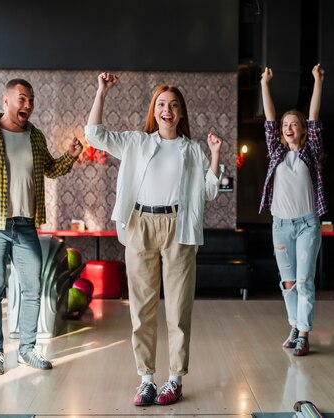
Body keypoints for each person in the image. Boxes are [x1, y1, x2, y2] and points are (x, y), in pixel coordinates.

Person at [85, 72, 223, 406]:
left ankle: (175, 379)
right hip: (141, 224)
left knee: (178, 307)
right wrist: (101, 92)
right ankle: (146, 379)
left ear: (181, 114)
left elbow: (208, 192)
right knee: (142, 306)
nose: (167, 110)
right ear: (154, 110)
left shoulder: (192, 150)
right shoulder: (136, 142)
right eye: (162, 104)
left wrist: (215, 155)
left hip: (179, 227)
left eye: (174, 105)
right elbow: (94, 134)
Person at [0, 79, 83, 376]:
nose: (28, 105)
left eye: (31, 100)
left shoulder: (35, 136)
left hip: (25, 224)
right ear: (6, 101)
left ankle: (26, 350)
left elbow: (51, 168)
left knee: (33, 289)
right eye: (22, 99)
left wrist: (71, 157)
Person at [258, 64, 327, 356]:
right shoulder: (276, 151)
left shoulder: (310, 152)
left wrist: (317, 82)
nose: (288, 128)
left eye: (293, 124)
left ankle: (305, 333)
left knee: (304, 280)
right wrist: (264, 84)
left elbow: (314, 118)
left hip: (307, 224)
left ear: (302, 130)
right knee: (288, 282)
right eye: (285, 125)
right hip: (281, 225)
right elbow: (269, 119)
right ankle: (295, 325)